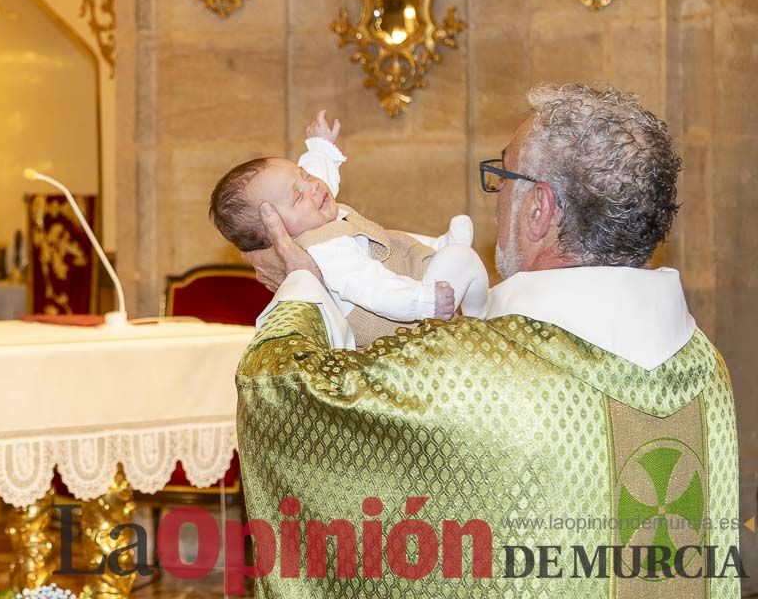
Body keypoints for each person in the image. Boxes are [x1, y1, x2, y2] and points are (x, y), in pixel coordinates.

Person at [235, 84, 741, 597]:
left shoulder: (459, 374)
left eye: (502, 178)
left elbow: (280, 389)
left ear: (539, 209)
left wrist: (303, 282)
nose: (495, 199)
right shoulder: (704, 366)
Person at [209, 110, 489, 349]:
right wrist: (423, 301)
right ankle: (480, 320)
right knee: (463, 259)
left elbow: (320, 176)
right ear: (276, 229)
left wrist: (319, 149)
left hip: (402, 282)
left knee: (398, 240)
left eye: (303, 176)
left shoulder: (313, 215)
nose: (313, 186)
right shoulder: (324, 250)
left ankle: (440, 247)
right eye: (297, 196)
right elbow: (372, 287)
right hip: (398, 319)